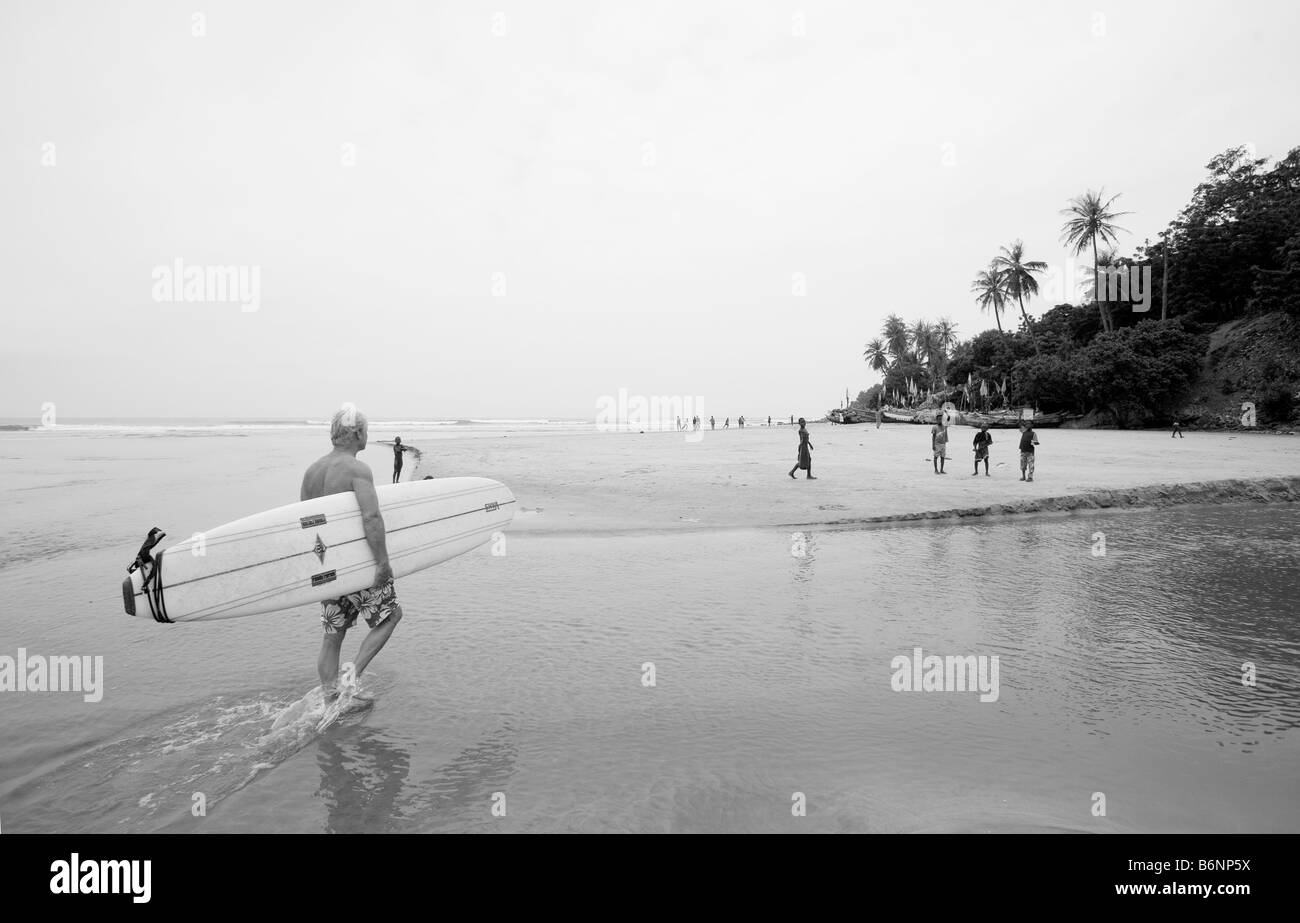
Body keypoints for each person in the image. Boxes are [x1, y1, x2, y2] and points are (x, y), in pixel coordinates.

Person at [301, 406, 403, 700]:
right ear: (357, 433)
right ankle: (350, 678)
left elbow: (307, 526)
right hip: (358, 565)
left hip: (328, 566)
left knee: (333, 635)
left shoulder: (312, 471)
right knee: (391, 615)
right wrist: (382, 563)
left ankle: (328, 696)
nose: (367, 436)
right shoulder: (357, 470)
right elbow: (371, 517)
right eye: (366, 431)